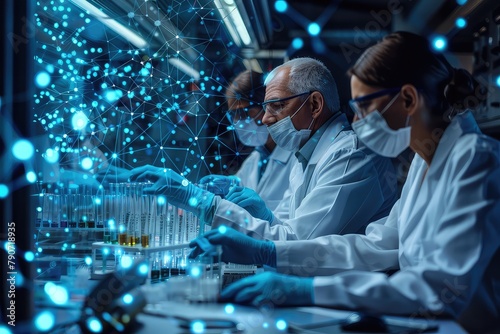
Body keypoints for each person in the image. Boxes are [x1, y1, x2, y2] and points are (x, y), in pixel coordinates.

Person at [189, 31, 500, 333]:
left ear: (407, 99)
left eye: (364, 106)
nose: (357, 120)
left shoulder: (476, 160)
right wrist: (270, 253)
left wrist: (308, 289)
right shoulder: (424, 159)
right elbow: (377, 245)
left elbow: (439, 286)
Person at [131, 57, 398, 240]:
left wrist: (202, 202)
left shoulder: (349, 155)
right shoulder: (305, 154)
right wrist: (264, 214)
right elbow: (285, 227)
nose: (266, 119)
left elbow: (296, 242)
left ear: (315, 105)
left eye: (276, 106)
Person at [199, 70, 295, 210]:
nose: (239, 122)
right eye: (233, 115)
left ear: (268, 106)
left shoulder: (296, 158)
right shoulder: (255, 159)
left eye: (243, 113)